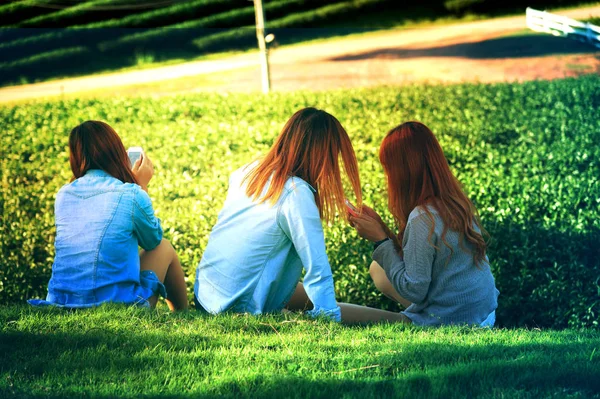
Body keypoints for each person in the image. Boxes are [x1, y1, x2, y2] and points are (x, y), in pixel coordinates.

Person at [194, 107, 407, 323]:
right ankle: (404, 321)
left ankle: (401, 318)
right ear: (323, 155)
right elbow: (317, 265)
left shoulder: (249, 171)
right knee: (326, 304)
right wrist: (328, 315)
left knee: (306, 295)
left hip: (207, 295)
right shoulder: (295, 192)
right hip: (235, 306)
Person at [349, 121, 499, 327]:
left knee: (337, 312)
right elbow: (419, 259)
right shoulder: (453, 202)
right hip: (483, 314)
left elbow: (414, 290)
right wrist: (381, 228)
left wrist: (380, 240)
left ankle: (309, 310)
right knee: (378, 267)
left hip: (451, 322)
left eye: (388, 169)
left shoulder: (423, 217)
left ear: (402, 171)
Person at [28, 120, 188, 311]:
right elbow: (152, 241)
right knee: (164, 246)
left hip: (63, 302)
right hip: (116, 305)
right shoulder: (131, 194)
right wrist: (142, 187)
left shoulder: (64, 194)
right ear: (117, 152)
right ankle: (182, 314)